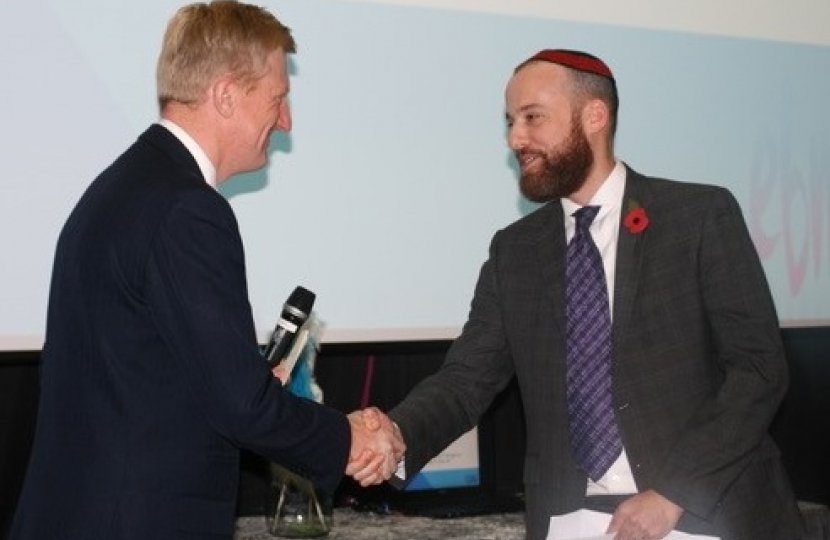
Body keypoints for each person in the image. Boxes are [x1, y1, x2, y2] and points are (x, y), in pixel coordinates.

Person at [367, 49, 805, 540]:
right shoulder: (515, 251)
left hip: (705, 514)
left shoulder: (698, 217)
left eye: (533, 118)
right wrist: (398, 435)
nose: (516, 138)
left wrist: (674, 493)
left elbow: (758, 370)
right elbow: (466, 380)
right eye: (511, 121)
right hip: (572, 520)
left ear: (595, 116)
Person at [9, 2, 401, 539]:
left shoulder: (121, 188)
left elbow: (147, 377)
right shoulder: (189, 209)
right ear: (225, 95)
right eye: (278, 99)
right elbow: (242, 408)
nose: (285, 123)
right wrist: (349, 439)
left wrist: (244, 382)